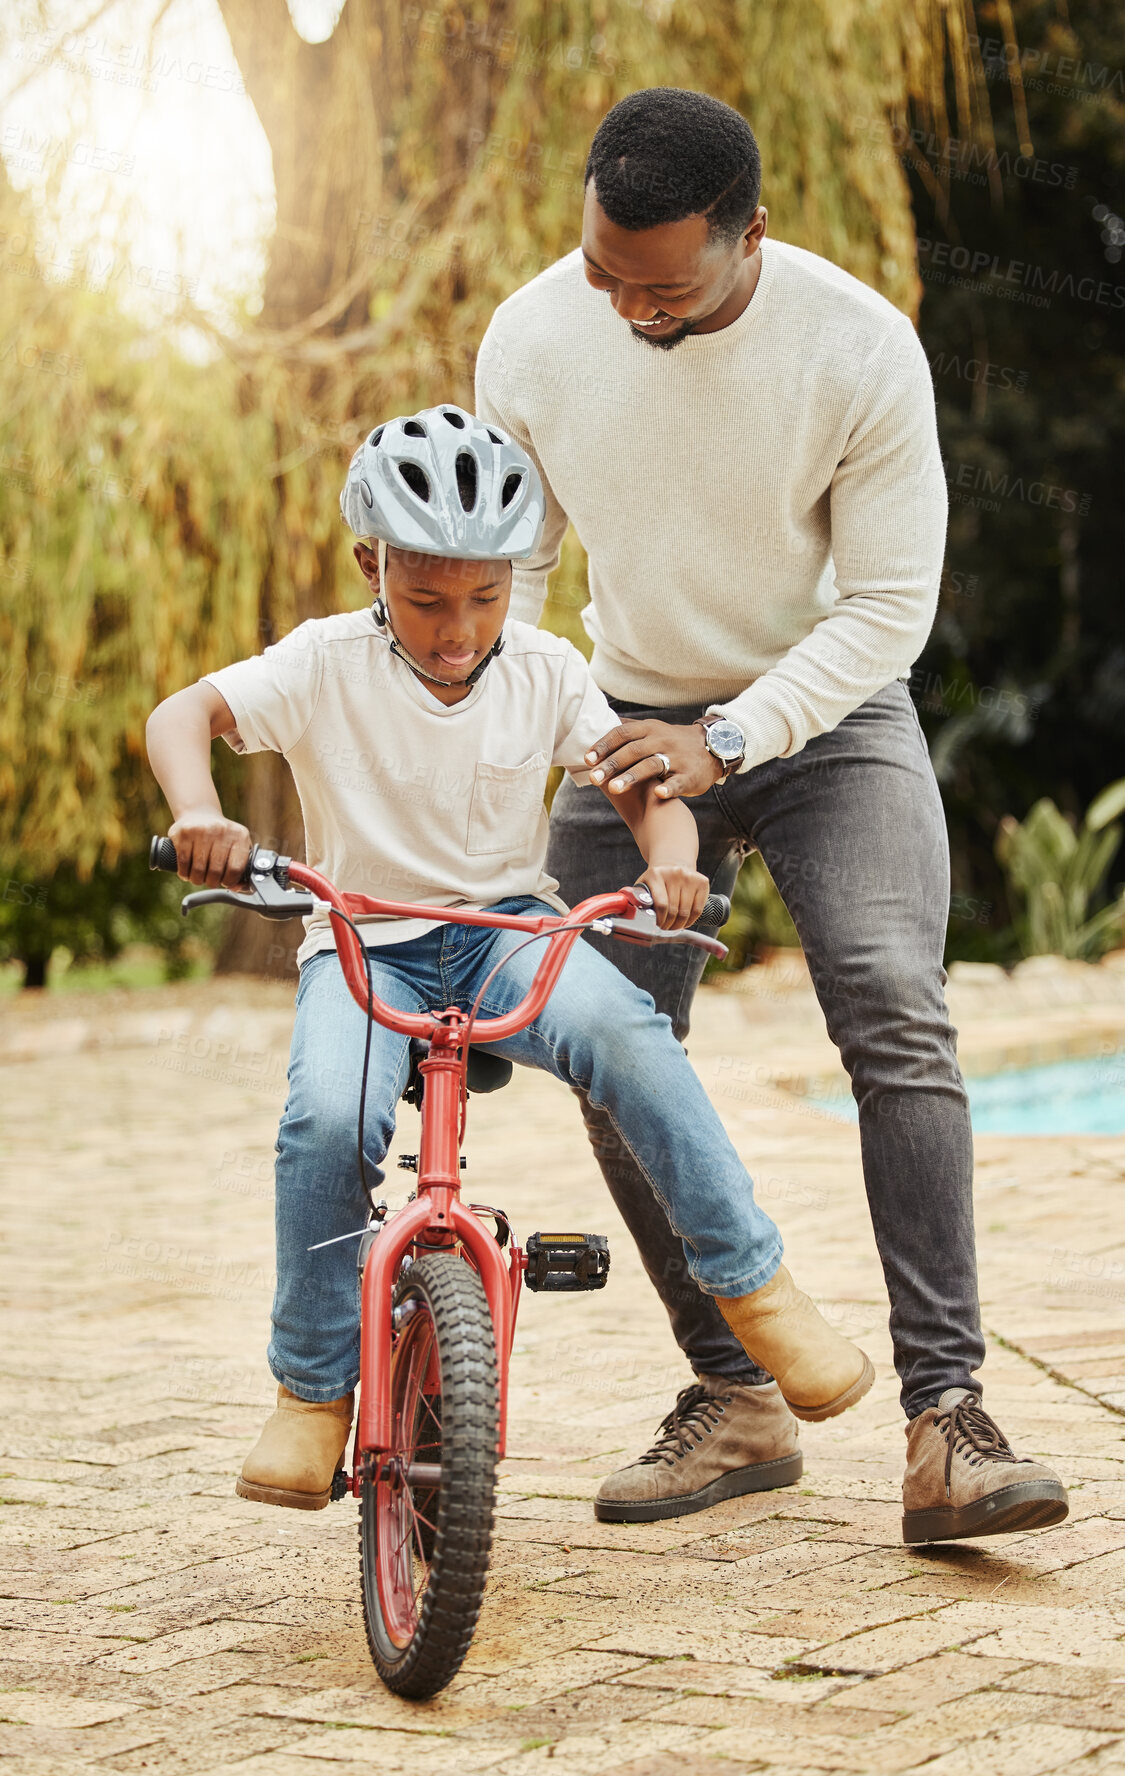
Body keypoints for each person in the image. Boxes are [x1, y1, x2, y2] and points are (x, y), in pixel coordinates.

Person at [475, 88, 1068, 1545]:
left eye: (661, 286)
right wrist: (525, 741)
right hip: (619, 716)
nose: (623, 309)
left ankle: (947, 1423)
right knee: (599, 1037)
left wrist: (728, 737)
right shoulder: (537, 333)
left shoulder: (856, 345)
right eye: (606, 272)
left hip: (826, 719)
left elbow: (884, 609)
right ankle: (734, 1394)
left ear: (752, 239)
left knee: (888, 1001)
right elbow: (518, 569)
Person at [145, 405, 874, 1512]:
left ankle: (760, 1295)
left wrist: (673, 862)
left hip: (503, 934)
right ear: (370, 564)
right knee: (322, 1122)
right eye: (426, 597)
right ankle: (309, 1392)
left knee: (632, 1035)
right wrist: (199, 810)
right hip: (362, 944)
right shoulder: (322, 662)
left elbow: (640, 785)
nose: (457, 629)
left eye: (484, 597)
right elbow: (180, 714)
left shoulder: (543, 666)